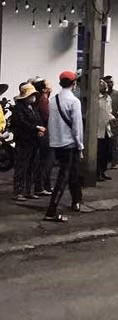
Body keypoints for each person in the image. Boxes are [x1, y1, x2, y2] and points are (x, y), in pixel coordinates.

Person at [45, 71, 84, 221]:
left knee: (73, 173)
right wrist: (80, 146)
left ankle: (76, 201)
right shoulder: (74, 101)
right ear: (74, 83)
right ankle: (51, 210)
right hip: (70, 144)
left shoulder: (53, 100)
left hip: (56, 143)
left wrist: (53, 141)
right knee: (64, 176)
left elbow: (51, 123)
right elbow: (77, 127)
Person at [11, 82, 44, 201]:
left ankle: (28, 190)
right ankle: (18, 191)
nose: (33, 97)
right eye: (31, 95)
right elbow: (21, 123)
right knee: (22, 166)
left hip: (34, 141)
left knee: (32, 166)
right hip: (23, 141)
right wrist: (36, 128)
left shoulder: (33, 108)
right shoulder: (18, 109)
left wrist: (40, 129)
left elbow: (38, 120)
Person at [32, 77, 53, 195]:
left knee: (44, 160)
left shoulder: (43, 99)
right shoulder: (44, 100)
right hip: (45, 132)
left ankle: (45, 186)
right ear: (44, 89)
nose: (50, 84)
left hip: (43, 132)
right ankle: (41, 187)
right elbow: (46, 117)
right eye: (48, 83)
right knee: (45, 161)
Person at [95, 80, 113, 181]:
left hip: (107, 129)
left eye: (105, 85)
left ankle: (103, 171)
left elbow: (109, 111)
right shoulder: (95, 98)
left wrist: (113, 119)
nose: (105, 87)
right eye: (102, 85)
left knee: (106, 153)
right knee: (99, 153)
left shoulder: (108, 98)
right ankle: (97, 173)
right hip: (98, 129)